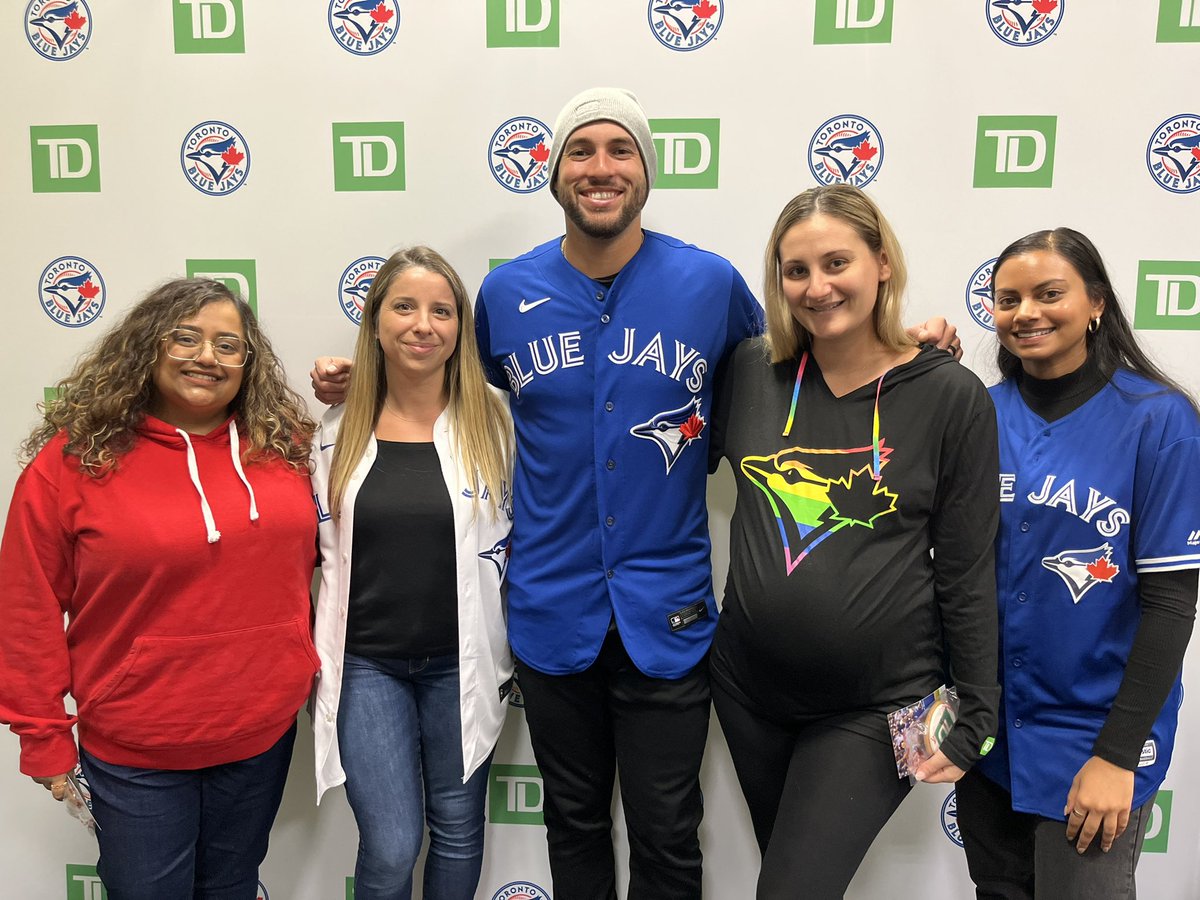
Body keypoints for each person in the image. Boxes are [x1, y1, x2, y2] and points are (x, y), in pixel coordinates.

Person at [310, 88, 962, 900]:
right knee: (573, 823)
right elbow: (438, 388)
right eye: (580, 151)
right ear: (553, 175)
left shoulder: (710, 283)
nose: (600, 167)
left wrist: (908, 350)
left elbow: (811, 362)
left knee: (666, 830)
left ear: (645, 172)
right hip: (551, 611)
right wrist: (351, 377)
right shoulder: (507, 296)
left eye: (620, 149)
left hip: (670, 616)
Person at [707, 184, 1002, 898]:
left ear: (882, 265)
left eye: (837, 263)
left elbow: (967, 570)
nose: (817, 287)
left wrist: (980, 714)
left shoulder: (949, 396)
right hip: (749, 693)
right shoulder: (749, 371)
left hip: (877, 707)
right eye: (796, 270)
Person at [0, 278, 320, 899]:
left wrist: (356, 378)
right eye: (186, 338)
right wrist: (41, 735)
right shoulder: (74, 463)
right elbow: (26, 605)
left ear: (248, 364)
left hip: (259, 735)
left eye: (229, 345)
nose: (208, 356)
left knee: (232, 886)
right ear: (147, 347)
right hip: (136, 750)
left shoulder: (285, 451)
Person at [954, 228, 1200, 900]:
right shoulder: (978, 411)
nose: (1025, 311)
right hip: (990, 740)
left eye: (1048, 293)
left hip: (1094, 740)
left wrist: (1117, 757)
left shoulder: (1159, 420)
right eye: (1008, 299)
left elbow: (1173, 604)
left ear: (1095, 303)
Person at [309, 246, 514, 899]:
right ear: (374, 322)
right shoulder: (334, 430)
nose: (423, 324)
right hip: (368, 668)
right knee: (392, 845)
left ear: (460, 329)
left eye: (441, 310)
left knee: (457, 831)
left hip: (465, 665)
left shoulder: (497, 421)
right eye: (404, 306)